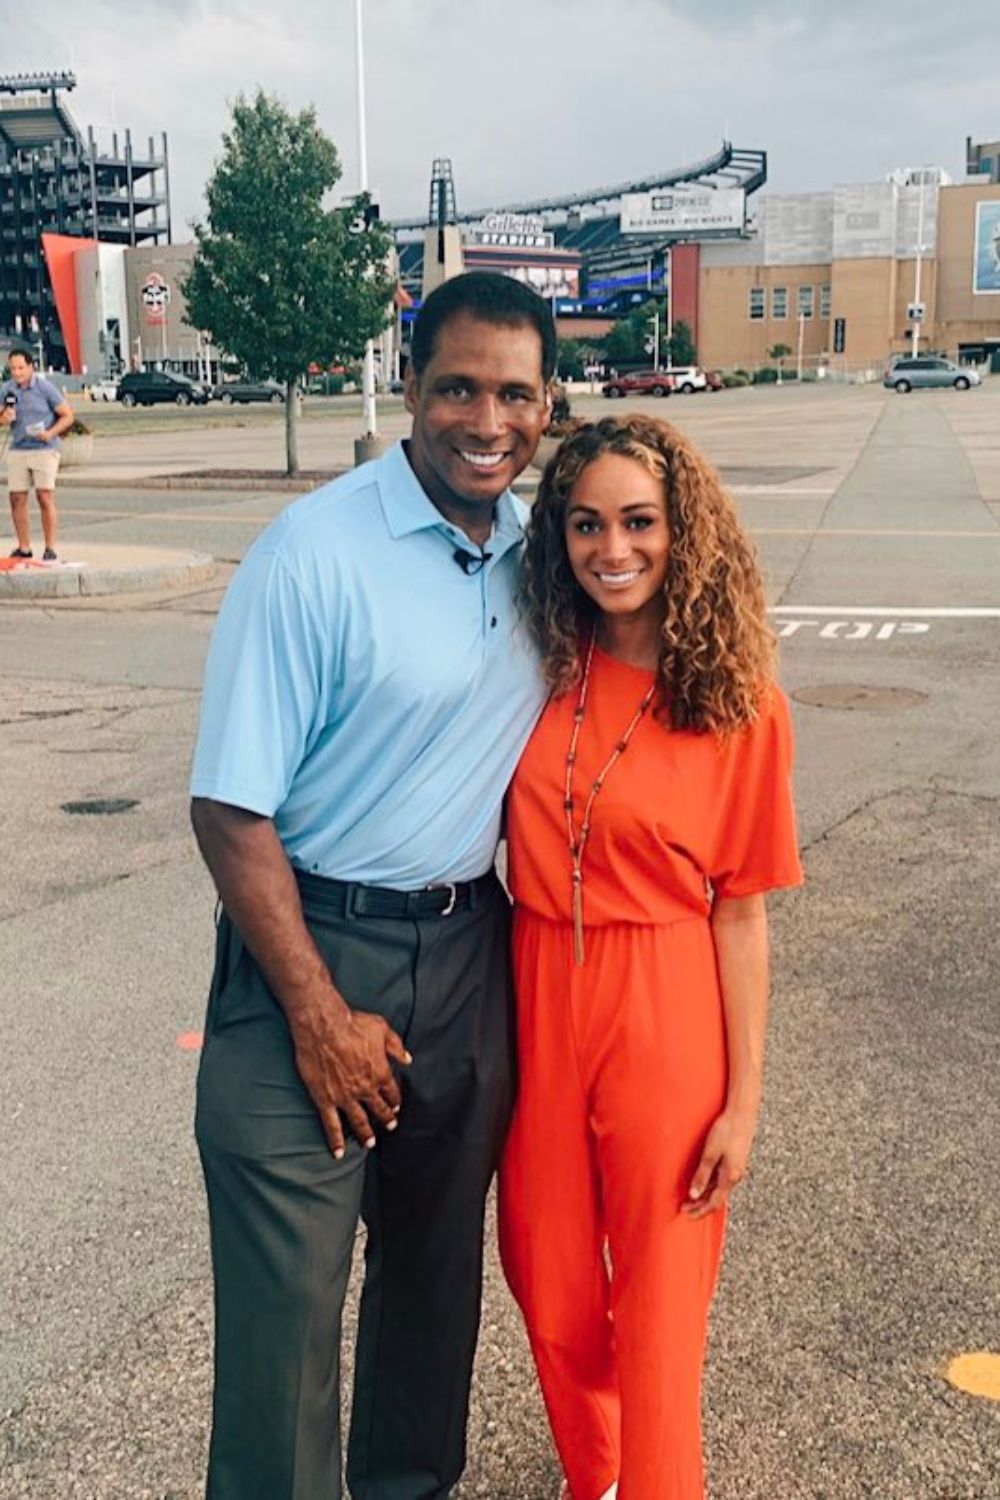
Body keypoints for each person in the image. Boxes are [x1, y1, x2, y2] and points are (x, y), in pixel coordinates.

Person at [188, 271, 554, 1500]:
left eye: (513, 392)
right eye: (457, 387)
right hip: (309, 946)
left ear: (547, 404)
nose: (484, 419)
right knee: (285, 1328)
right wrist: (315, 1015)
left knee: (433, 1294)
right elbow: (230, 808)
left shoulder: (534, 553)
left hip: (466, 956)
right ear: (410, 388)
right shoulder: (313, 554)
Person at [498, 413, 804, 1500]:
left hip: (665, 1004)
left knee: (664, 1306)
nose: (610, 549)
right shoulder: (537, 668)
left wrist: (743, 1104)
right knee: (547, 1276)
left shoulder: (738, 706)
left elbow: (741, 913)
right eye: (585, 525)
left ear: (685, 532)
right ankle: (602, 1470)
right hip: (535, 985)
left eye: (638, 522)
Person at [0, 348, 74, 562]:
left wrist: (50, 433)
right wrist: (4, 417)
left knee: (44, 496)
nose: (17, 373)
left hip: (44, 449)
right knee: (16, 498)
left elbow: (67, 416)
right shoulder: (7, 390)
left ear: (31, 367)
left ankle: (50, 547)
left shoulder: (45, 388)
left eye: (21, 368)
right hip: (19, 449)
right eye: (13, 368)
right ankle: (24, 547)